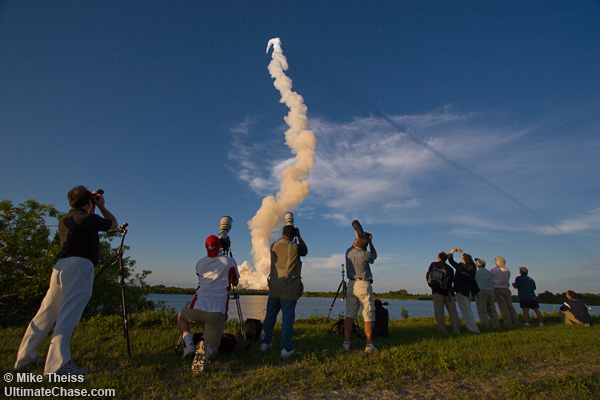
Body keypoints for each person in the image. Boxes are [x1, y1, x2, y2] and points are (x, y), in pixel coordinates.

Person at [14, 186, 117, 375]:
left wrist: (90, 204)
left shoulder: (66, 219)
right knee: (68, 315)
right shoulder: (87, 218)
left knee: (46, 312)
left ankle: (25, 357)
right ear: (88, 202)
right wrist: (101, 206)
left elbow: (89, 222)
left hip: (60, 267)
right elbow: (112, 225)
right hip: (79, 267)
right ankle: (57, 366)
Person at [177, 235, 239, 373]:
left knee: (182, 317)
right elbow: (235, 283)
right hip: (217, 312)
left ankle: (189, 345)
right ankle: (207, 353)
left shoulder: (199, 263)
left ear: (206, 247)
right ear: (221, 247)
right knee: (214, 348)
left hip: (197, 307)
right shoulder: (230, 262)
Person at [260, 225, 308, 359]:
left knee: (270, 316)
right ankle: (286, 348)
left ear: (282, 233)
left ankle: (265, 343)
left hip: (274, 285)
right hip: (289, 287)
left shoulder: (273, 245)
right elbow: (305, 251)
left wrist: (293, 235)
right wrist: (299, 236)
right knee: (287, 318)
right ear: (293, 235)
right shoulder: (294, 247)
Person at [342, 230, 379, 353]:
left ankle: (346, 343)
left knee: (349, 316)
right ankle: (369, 345)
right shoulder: (366, 255)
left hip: (351, 285)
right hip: (364, 285)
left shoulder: (349, 252)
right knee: (368, 316)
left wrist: (358, 237)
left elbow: (354, 246)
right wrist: (370, 242)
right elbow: (374, 255)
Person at [426, 252, 460, 334]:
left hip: (437, 292)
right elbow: (452, 280)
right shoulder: (450, 268)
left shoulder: (434, 265)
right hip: (449, 293)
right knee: (453, 312)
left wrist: (432, 286)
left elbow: (428, 276)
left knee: (439, 312)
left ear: (438, 257)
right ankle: (456, 329)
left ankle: (442, 330)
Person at [448, 248, 480, 334]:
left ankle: (473, 329)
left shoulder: (461, 267)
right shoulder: (473, 268)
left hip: (461, 291)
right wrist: (462, 253)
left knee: (466, 311)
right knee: (468, 309)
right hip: (469, 291)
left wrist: (451, 253)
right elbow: (472, 262)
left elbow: (451, 261)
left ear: (464, 261)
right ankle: (471, 327)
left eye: (463, 259)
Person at [490, 257, 519, 327]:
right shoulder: (507, 270)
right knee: (510, 306)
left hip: (498, 289)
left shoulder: (493, 270)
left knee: (503, 307)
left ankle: (508, 323)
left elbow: (491, 279)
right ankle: (515, 321)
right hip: (506, 289)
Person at [474, 258, 500, 329]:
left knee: (482, 310)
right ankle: (496, 325)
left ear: (478, 264)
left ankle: (485, 325)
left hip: (481, 292)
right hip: (491, 292)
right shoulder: (489, 273)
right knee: (492, 309)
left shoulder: (477, 273)